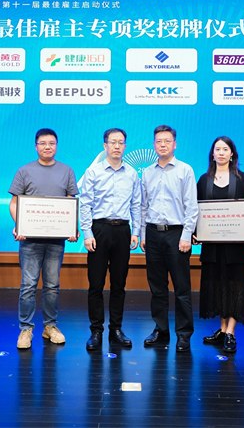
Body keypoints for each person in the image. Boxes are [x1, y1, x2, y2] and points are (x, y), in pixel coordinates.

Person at [9, 128, 78, 350]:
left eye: (51, 143)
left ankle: (50, 326)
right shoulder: (24, 171)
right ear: (36, 146)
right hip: (29, 239)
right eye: (43, 143)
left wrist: (71, 227)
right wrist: (19, 225)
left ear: (56, 146)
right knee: (28, 285)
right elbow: (14, 203)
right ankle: (25, 329)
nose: (47, 147)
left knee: (52, 285)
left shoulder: (66, 171)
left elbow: (70, 203)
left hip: (56, 240)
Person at [78, 128, 141, 351]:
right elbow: (85, 204)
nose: (117, 146)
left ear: (125, 146)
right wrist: (87, 233)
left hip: (122, 230)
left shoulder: (132, 173)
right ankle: (96, 330)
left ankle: (116, 329)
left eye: (121, 142)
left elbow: (136, 204)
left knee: (119, 284)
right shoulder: (93, 171)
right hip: (99, 229)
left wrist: (136, 232)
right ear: (105, 146)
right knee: (96, 284)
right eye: (113, 142)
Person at [195, 136, 244, 354]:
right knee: (218, 285)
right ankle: (222, 329)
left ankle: (231, 332)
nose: (221, 153)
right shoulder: (203, 180)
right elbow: (196, 210)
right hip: (213, 246)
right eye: (217, 149)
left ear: (232, 154)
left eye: (225, 149)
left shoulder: (243, 179)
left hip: (236, 246)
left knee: (236, 285)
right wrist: (196, 232)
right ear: (212, 154)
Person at [140, 125, 199, 352]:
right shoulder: (147, 172)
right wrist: (143, 234)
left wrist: (187, 235)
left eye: (167, 141)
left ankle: (183, 334)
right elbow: (143, 206)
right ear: (154, 145)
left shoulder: (185, 170)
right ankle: (161, 329)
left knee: (182, 288)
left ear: (175, 144)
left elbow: (191, 206)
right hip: (153, 233)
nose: (162, 145)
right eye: (158, 141)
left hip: (177, 234)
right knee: (157, 287)